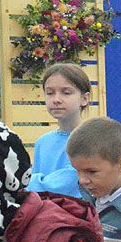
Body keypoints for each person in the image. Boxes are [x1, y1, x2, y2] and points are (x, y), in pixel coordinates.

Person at [26, 63, 93, 195]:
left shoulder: (91, 140)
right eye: (50, 93)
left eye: (66, 93)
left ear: (85, 99)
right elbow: (32, 189)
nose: (56, 99)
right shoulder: (43, 142)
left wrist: (26, 183)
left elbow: (67, 183)